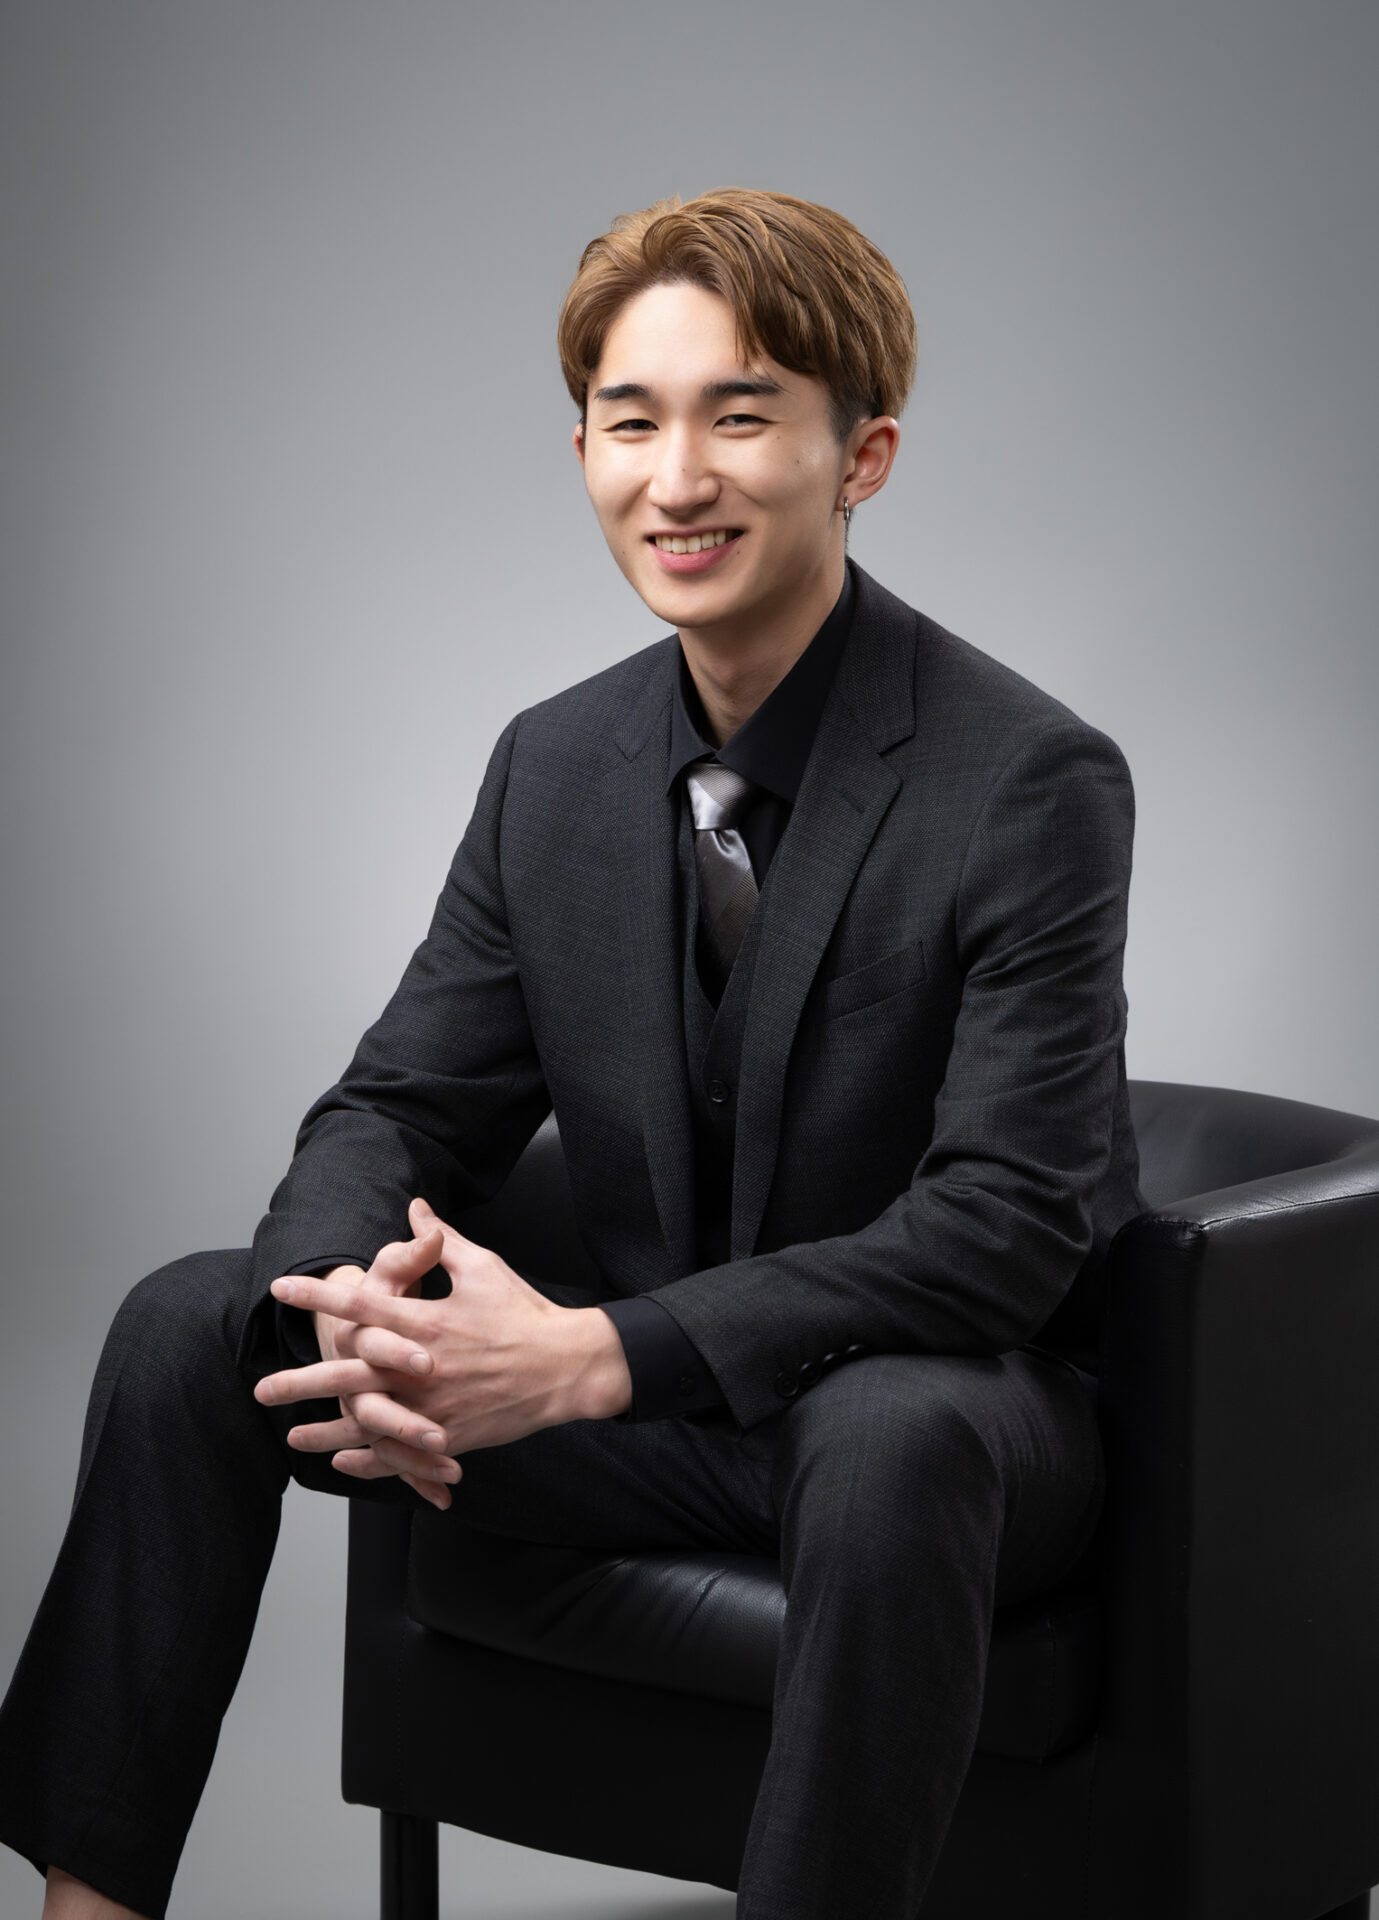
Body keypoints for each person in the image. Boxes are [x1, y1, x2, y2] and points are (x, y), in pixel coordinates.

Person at [0, 188, 1141, 1920]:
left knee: (890, 1434)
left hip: (944, 1415)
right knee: (191, 1323)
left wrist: (595, 1354)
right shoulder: (555, 763)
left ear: (863, 456)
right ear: (586, 447)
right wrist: (353, 1312)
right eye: (631, 420)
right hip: (662, 1415)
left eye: (740, 417)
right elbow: (403, 1102)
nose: (676, 479)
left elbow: (1005, 1228)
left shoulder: (1030, 778)